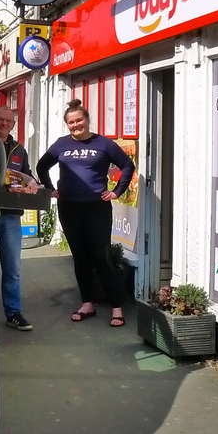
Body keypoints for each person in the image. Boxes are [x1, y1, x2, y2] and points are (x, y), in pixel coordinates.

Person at [37, 99, 135, 327]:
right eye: (71, 122)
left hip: (96, 209)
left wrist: (117, 191)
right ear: (67, 125)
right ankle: (87, 304)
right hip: (69, 207)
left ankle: (117, 308)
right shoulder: (61, 144)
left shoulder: (104, 144)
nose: (75, 125)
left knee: (102, 258)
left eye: (79, 120)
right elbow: (42, 166)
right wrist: (51, 189)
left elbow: (127, 165)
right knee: (80, 257)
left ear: (87, 120)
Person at [0, 106, 39, 331]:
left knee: (12, 269)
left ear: (13, 125)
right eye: (0, 120)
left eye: (8, 121)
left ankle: (13, 313)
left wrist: (31, 183)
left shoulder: (18, 149)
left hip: (11, 218)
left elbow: (26, 174)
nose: (4, 124)